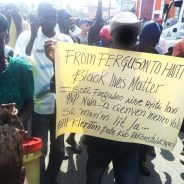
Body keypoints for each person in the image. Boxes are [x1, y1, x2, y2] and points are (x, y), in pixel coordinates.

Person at [14, 3, 73, 184]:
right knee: (40, 149)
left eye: (52, 17)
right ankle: (39, 180)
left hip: (59, 105)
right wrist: (33, 36)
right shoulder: (26, 37)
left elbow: (72, 70)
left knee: (58, 148)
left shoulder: (65, 40)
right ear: (37, 17)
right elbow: (20, 62)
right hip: (38, 105)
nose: (49, 21)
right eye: (45, 17)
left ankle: (50, 179)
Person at [85, 12, 142, 184]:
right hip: (99, 145)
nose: (127, 38)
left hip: (129, 148)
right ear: (112, 37)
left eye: (130, 34)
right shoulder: (93, 63)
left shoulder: (150, 69)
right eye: (124, 33)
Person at [136, 21, 161, 177]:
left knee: (144, 137)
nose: (149, 46)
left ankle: (141, 162)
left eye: (153, 44)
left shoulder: (156, 55)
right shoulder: (130, 50)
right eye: (147, 42)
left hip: (147, 103)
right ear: (141, 38)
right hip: (127, 102)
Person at [0, 13, 34, 129]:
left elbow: (29, 101)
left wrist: (21, 121)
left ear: (7, 37)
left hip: (11, 140)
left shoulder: (21, 69)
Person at [57, 9, 82, 154]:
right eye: (66, 16)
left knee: (76, 112)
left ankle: (71, 137)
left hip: (72, 79)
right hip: (57, 82)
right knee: (60, 117)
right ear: (58, 19)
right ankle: (59, 148)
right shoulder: (53, 35)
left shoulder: (74, 36)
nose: (70, 19)